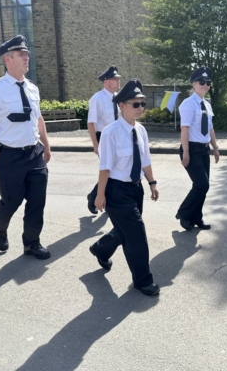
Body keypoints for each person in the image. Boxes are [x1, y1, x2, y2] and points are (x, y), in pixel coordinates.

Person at [0, 35, 51, 260]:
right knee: (11, 201)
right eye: (21, 54)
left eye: (26, 54)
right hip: (9, 156)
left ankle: (31, 243)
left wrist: (47, 146)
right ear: (8, 59)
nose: (27, 58)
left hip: (35, 153)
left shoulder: (32, 88)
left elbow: (38, 119)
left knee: (37, 202)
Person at [89, 79, 160, 296]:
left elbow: (145, 160)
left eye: (142, 104)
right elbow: (105, 167)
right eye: (135, 104)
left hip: (135, 188)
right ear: (121, 105)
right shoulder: (110, 132)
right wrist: (100, 195)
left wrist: (152, 183)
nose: (140, 108)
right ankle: (143, 280)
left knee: (125, 231)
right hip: (116, 190)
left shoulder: (141, 130)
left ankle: (100, 249)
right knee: (136, 235)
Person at [175, 66, 220, 231]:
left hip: (203, 149)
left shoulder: (207, 105)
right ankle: (184, 213)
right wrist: (186, 152)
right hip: (191, 149)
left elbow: (210, 129)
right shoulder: (188, 104)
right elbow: (184, 129)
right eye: (201, 82)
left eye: (208, 82)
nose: (205, 85)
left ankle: (196, 217)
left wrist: (215, 148)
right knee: (201, 185)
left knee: (203, 186)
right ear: (194, 84)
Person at [86, 66, 122, 214]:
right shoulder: (97, 99)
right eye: (115, 79)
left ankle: (100, 196)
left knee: (117, 170)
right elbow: (91, 123)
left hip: (118, 137)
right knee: (109, 170)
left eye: (118, 78)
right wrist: (96, 145)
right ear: (106, 82)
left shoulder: (119, 97)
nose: (118, 81)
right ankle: (94, 197)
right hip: (104, 138)